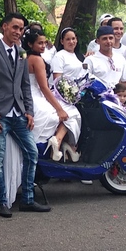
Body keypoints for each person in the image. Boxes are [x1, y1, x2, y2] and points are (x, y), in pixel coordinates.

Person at [0, 12, 45, 217]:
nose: (18, 32)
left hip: (19, 114)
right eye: (15, 27)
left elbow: (26, 86)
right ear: (5, 27)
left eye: (21, 28)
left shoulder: (23, 53)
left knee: (32, 154)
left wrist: (30, 111)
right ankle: (2, 202)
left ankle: (27, 199)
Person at [24, 28, 81, 162]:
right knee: (71, 113)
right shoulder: (37, 60)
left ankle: (61, 144)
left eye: (45, 43)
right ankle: (58, 141)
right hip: (36, 94)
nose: (43, 46)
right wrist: (59, 109)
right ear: (30, 44)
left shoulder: (24, 56)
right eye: (40, 43)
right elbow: (44, 87)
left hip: (29, 92)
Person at [84, 25, 126, 90]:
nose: (108, 41)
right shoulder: (90, 60)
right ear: (98, 41)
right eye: (104, 39)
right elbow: (84, 82)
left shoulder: (120, 59)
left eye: (111, 38)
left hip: (117, 98)